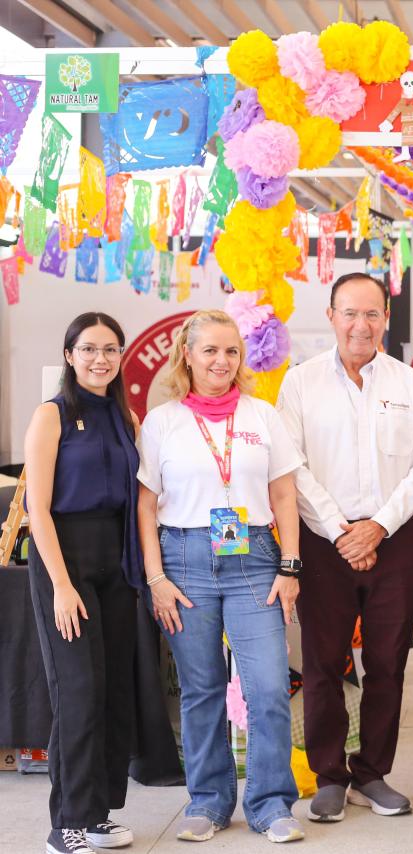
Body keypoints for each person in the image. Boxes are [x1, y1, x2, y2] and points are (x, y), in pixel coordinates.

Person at [136, 309, 305, 844]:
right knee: (201, 689)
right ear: (187, 355)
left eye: (231, 351)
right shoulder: (162, 421)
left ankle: (270, 804)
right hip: (184, 559)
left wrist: (290, 566)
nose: (221, 361)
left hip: (254, 557)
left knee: (269, 687)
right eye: (209, 350)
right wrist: (156, 577)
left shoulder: (263, 416)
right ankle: (208, 801)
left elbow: (284, 495)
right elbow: (145, 505)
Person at [275, 272, 413, 821]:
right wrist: (341, 529)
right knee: (324, 662)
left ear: (386, 318)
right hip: (325, 541)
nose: (360, 325)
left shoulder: (409, 384)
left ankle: (372, 773)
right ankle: (330, 775)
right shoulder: (300, 384)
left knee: (389, 662)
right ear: (331, 316)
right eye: (349, 313)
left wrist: (379, 527)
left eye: (371, 314)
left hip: (393, 539)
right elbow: (292, 467)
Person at [24, 313, 142, 854]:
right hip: (64, 560)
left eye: (110, 349)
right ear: (70, 355)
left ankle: (97, 815)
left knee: (112, 689)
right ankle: (65, 823)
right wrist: (62, 585)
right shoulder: (51, 415)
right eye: (89, 349)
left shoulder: (126, 417)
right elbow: (38, 510)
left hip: (115, 562)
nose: (100, 359)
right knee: (77, 692)